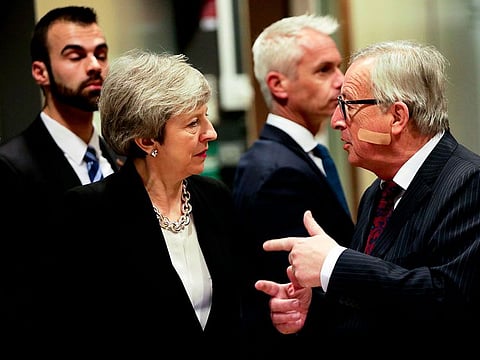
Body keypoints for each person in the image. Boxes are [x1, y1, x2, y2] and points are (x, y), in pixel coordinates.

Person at [255, 40, 480, 352]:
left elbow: (449, 300)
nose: (336, 121)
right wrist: (313, 304)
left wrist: (333, 263)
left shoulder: (470, 182)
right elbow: (374, 303)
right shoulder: (378, 191)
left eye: (347, 105)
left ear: (397, 117)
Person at [46, 49, 242, 355]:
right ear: (147, 140)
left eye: (206, 117)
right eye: (193, 123)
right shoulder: (88, 213)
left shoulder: (215, 197)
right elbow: (74, 330)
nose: (211, 133)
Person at [231, 13, 354, 351]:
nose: (341, 81)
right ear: (278, 84)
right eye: (323, 70)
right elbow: (286, 293)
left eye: (338, 67)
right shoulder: (278, 172)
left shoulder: (292, 155)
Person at [0, 6, 121, 332]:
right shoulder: (11, 167)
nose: (95, 66)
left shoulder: (119, 158)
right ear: (40, 72)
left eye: (101, 53)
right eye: (75, 56)